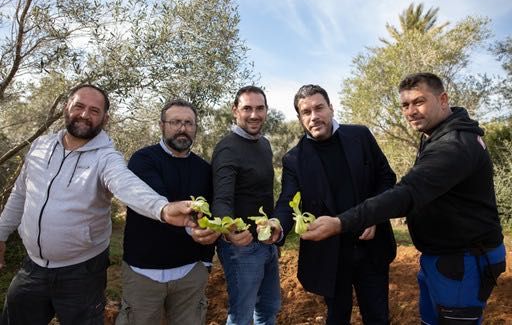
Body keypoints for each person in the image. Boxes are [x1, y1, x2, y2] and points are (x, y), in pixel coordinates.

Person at [302, 73, 506, 324]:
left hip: (464, 259)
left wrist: (341, 222)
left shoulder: (454, 146)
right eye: (405, 105)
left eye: (419, 102)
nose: (411, 111)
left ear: (443, 100)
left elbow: (407, 193)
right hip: (440, 256)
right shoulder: (436, 134)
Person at [0, 84, 197, 325]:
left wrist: (163, 209)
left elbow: (127, 186)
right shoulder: (40, 146)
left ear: (105, 118)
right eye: (79, 106)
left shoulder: (106, 157)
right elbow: (21, 193)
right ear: (67, 107)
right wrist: (1, 233)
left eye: (95, 110)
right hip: (31, 268)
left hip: (81, 274)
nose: (85, 115)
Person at [271, 84, 397, 324]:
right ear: (299, 118)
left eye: (319, 108)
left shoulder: (360, 136)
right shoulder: (294, 159)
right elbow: (288, 201)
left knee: (378, 316)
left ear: (331, 108)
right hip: (329, 255)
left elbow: (386, 178)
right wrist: (277, 224)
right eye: (306, 112)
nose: (314, 116)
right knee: (337, 317)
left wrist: (375, 216)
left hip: (371, 247)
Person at [116, 99, 219, 325]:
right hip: (144, 272)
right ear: (162, 125)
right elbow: (156, 204)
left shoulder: (203, 169)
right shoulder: (143, 160)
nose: (182, 128)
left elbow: (211, 214)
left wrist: (206, 260)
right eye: (175, 122)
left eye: (189, 123)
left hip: (190, 274)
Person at [211, 86, 281, 325]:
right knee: (241, 316)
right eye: (247, 108)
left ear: (266, 111)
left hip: (266, 242)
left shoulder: (264, 145)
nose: (254, 115)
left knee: (268, 309)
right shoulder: (228, 147)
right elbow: (221, 198)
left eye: (259, 108)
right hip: (241, 249)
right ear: (235, 111)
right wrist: (230, 232)